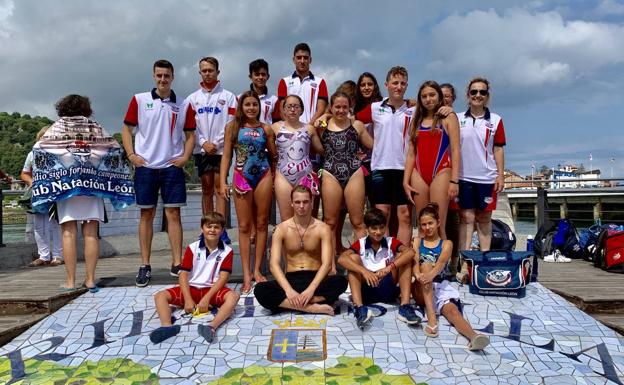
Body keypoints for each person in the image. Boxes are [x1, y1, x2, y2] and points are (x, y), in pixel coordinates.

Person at [122, 59, 196, 287]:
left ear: (173, 77)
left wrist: (184, 158)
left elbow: (191, 134)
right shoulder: (140, 99)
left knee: (174, 215)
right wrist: (131, 154)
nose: (163, 79)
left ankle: (176, 263)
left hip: (171, 167)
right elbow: (127, 128)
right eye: (159, 75)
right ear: (154, 76)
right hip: (146, 167)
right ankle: (144, 264)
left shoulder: (183, 104)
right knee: (147, 215)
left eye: (167, 75)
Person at [39, 95, 115, 292]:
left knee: (68, 233)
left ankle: (71, 281)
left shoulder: (57, 127)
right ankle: (90, 279)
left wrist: (63, 160)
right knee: (90, 232)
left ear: (62, 109)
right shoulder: (95, 127)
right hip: (92, 184)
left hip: (66, 185)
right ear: (86, 109)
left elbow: (39, 148)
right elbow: (114, 148)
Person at [254, 185, 347, 314]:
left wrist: (310, 290)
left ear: (312, 202)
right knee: (260, 290)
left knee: (341, 281)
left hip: (315, 278)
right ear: (292, 203)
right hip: (291, 279)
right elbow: (274, 265)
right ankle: (312, 307)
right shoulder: (281, 229)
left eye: (305, 202)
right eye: (297, 202)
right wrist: (288, 290)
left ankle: (291, 303)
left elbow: (326, 265)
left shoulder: (323, 228)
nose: (301, 206)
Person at [219, 91, 277, 294]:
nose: (251, 108)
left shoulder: (266, 129)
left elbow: (273, 156)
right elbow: (226, 156)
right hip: (241, 176)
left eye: (255, 104)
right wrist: (222, 181)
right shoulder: (233, 128)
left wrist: (275, 178)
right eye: (247, 104)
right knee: (244, 226)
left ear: (259, 107)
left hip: (263, 175)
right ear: (241, 107)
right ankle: (245, 274)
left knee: (262, 224)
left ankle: (257, 271)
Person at [150, 212, 240, 344]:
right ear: (202, 228)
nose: (212, 230)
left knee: (234, 296)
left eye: (216, 227)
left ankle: (211, 327)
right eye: (209, 226)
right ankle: (166, 326)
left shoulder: (227, 251)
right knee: (160, 296)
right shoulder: (193, 248)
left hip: (212, 290)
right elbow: (183, 274)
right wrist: (187, 299)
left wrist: (207, 298)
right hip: (191, 288)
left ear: (222, 231)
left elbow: (223, 278)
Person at [411, 203, 490, 351]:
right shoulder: (417, 241)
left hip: (439, 286)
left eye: (430, 223)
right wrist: (418, 275)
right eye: (423, 225)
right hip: (420, 287)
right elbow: (415, 262)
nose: (427, 227)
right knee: (426, 265)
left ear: (438, 223)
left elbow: (440, 265)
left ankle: (473, 337)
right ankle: (431, 316)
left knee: (453, 312)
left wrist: (429, 276)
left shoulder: (446, 244)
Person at [355, 67, 414, 246]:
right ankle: (384, 256)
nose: (398, 87)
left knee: (404, 215)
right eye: (395, 83)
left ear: (406, 86)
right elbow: (353, 121)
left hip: (404, 169)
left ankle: (401, 255)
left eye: (402, 83)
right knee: (382, 215)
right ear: (387, 85)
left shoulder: (413, 109)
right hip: (380, 167)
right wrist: (370, 145)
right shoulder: (375, 108)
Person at [338, 208, 420, 329]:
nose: (378, 232)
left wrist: (388, 268)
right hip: (367, 290)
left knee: (403, 257)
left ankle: (405, 307)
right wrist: (364, 272)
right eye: (374, 228)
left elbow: (410, 252)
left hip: (388, 286)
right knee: (353, 259)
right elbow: (342, 259)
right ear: (367, 229)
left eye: (381, 228)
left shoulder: (390, 241)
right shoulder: (360, 243)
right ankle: (359, 308)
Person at [185, 57, 237, 245]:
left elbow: (232, 123)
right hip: (202, 150)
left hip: (222, 149)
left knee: (220, 188)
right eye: (204, 70)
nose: (208, 73)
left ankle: (221, 230)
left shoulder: (229, 96)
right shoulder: (192, 99)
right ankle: (207, 228)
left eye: (211, 70)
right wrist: (203, 143)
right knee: (206, 189)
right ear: (200, 72)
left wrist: (216, 143)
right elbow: (190, 127)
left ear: (217, 72)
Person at [319, 92, 373, 263]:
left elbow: (374, 146)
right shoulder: (322, 126)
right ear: (331, 108)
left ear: (349, 107)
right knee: (330, 222)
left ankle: (362, 262)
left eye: (344, 107)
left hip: (354, 172)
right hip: (330, 172)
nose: (341, 110)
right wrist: (324, 116)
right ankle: (330, 264)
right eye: (337, 107)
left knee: (358, 221)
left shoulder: (357, 125)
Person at [403, 81, 460, 239]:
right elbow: (411, 153)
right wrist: (405, 181)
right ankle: (421, 263)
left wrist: (454, 181)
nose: (428, 99)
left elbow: (455, 150)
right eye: (424, 96)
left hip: (441, 172)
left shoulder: (448, 117)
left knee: (438, 225)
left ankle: (443, 264)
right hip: (418, 174)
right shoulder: (416, 121)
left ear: (439, 96)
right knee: (423, 226)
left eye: (432, 95)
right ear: (420, 99)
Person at [457, 78, 506, 253]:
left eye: (482, 92)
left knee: (484, 218)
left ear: (487, 96)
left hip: (487, 177)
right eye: (474, 92)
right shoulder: (457, 118)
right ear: (468, 95)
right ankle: (465, 260)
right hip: (463, 177)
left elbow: (498, 149)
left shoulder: (496, 120)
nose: (478, 95)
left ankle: (483, 260)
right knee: (466, 218)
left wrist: (500, 175)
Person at [272, 95, 323, 220]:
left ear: (301, 110)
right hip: (283, 176)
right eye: (289, 106)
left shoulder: (310, 129)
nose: (292, 109)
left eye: (296, 106)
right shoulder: (275, 127)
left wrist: (322, 131)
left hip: (306, 175)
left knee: (306, 217)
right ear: (283, 110)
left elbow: (321, 150)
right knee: (286, 218)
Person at [21, 125, 63, 267]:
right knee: (39, 225)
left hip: (56, 192)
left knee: (56, 224)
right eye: (44, 138)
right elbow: (24, 173)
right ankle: (43, 256)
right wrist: (32, 183)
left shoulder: (60, 154)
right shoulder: (32, 154)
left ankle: (58, 256)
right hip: (38, 193)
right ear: (39, 139)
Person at [277, 42, 328, 125]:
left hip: (312, 128)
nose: (302, 61)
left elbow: (321, 109)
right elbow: (282, 109)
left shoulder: (320, 82)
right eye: (299, 57)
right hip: (290, 130)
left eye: (305, 58)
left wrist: (308, 127)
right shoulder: (284, 81)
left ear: (310, 60)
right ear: (294, 60)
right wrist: (291, 127)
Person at [440, 82, 461, 275]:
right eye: (441, 95)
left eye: (448, 96)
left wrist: (455, 179)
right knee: (438, 220)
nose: (444, 99)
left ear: (453, 99)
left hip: (454, 175)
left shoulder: (455, 118)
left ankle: (454, 261)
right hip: (438, 175)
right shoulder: (433, 118)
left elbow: (456, 149)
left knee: (453, 222)